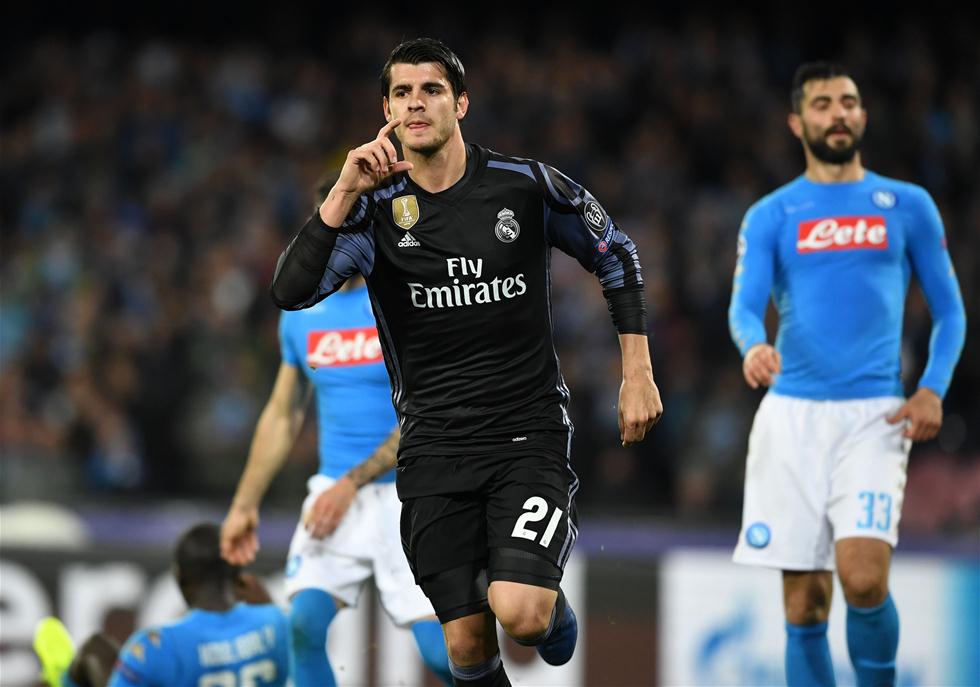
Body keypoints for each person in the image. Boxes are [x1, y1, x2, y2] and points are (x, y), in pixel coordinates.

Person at [269, 37, 663, 687]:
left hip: (525, 433)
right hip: (432, 449)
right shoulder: (371, 213)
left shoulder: (523, 186)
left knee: (521, 613)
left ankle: (548, 608)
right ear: (386, 112)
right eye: (401, 93)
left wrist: (638, 372)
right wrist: (341, 191)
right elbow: (291, 292)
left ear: (461, 103)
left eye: (431, 90)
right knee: (466, 649)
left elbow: (615, 252)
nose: (415, 103)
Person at [728, 61, 966, 687]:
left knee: (863, 578)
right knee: (804, 604)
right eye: (824, 103)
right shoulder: (772, 214)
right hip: (792, 419)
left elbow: (951, 311)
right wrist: (753, 345)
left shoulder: (908, 205)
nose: (838, 113)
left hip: (873, 417)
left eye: (849, 102)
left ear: (863, 115)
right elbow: (744, 306)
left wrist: (933, 388)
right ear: (797, 122)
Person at [220, 196, 452, 686]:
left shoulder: (408, 300)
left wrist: (350, 483)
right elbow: (283, 414)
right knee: (302, 627)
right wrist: (244, 504)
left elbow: (427, 415)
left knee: (442, 654)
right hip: (334, 493)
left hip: (411, 493)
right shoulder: (302, 312)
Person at [33, 523, 289, 687]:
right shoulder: (280, 624)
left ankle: (64, 678)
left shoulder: (159, 645)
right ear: (238, 576)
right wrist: (271, 607)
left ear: (180, 580)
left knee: (95, 651)